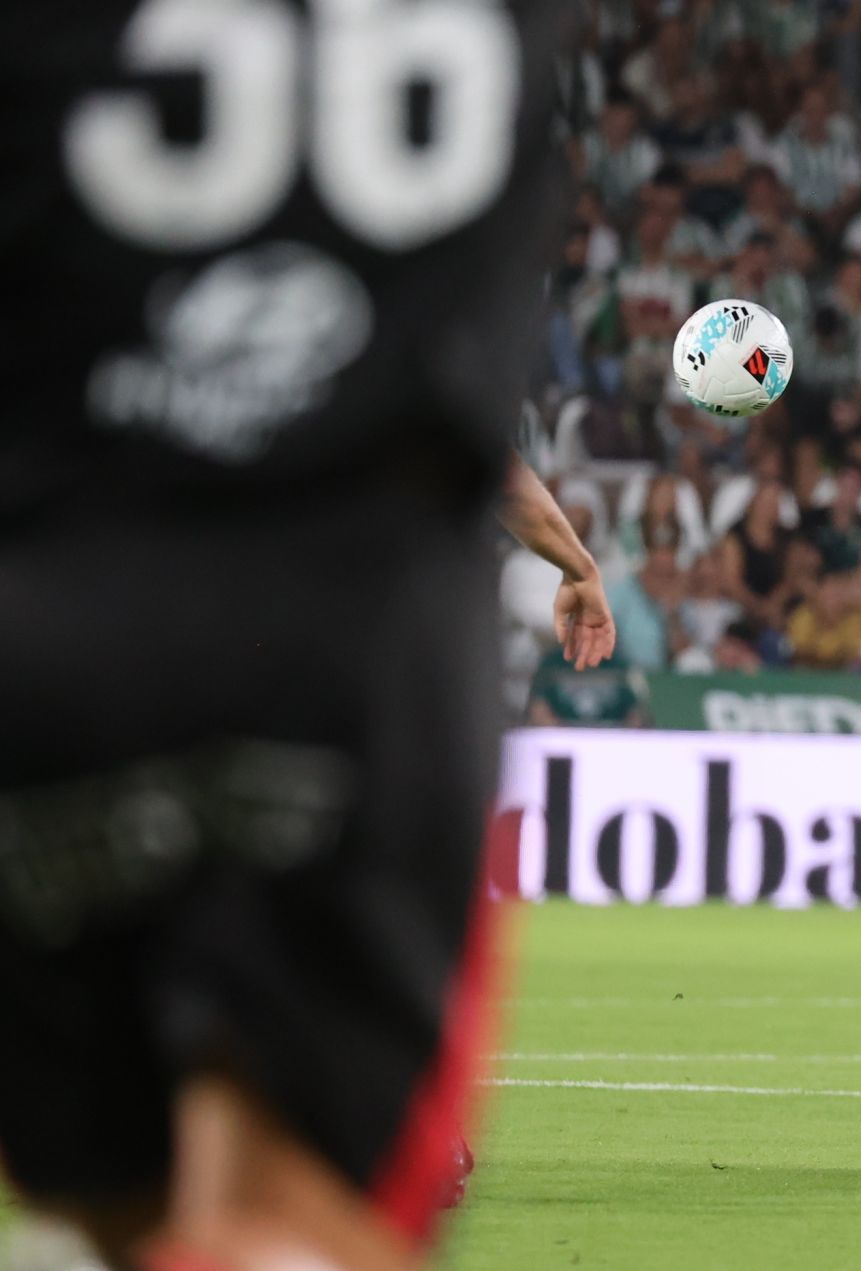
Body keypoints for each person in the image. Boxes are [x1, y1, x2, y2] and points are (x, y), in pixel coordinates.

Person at [0, 3, 601, 1268]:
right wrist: (573, 558)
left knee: (108, 1204)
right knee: (300, 1209)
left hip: (62, 612)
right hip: (356, 630)